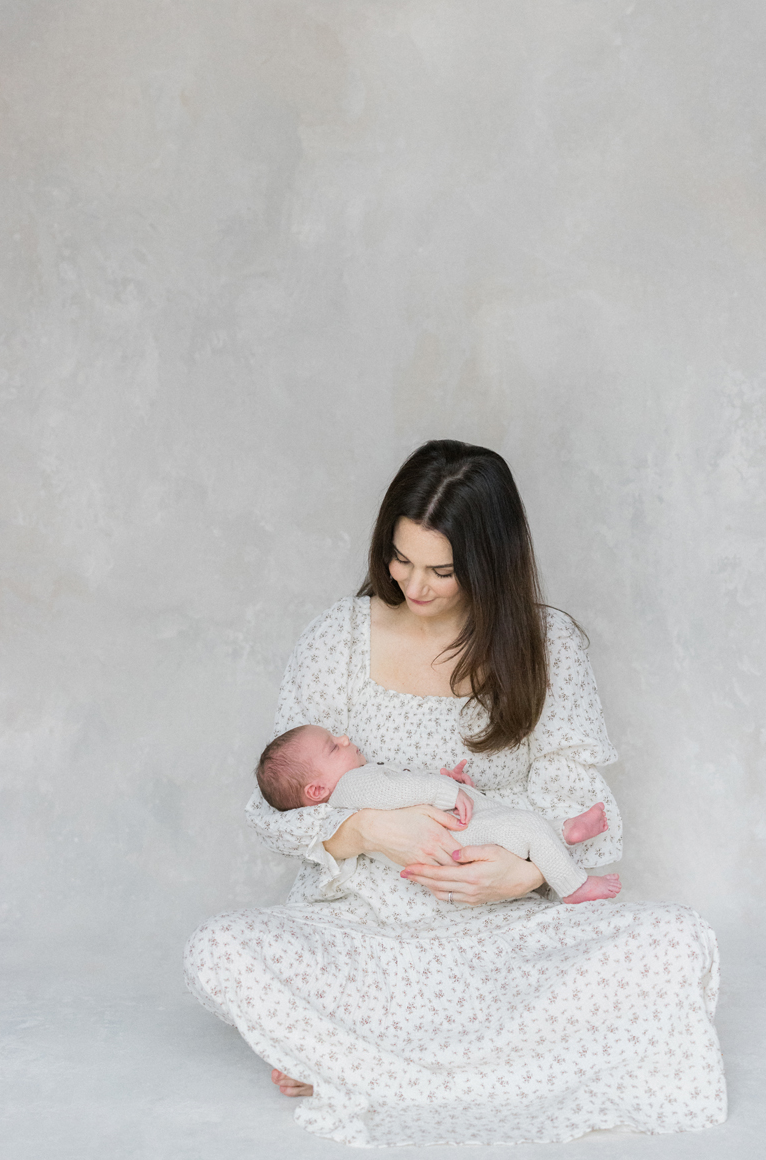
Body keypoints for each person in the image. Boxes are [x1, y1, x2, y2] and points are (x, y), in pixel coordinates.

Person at [184, 440, 726, 1146]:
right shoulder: (336, 640)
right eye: (400, 559)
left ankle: (347, 1056)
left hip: (501, 938)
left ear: (489, 562)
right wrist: (370, 833)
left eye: (442, 569)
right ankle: (396, 1049)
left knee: (675, 942)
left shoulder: (546, 644)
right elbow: (278, 809)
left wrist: (525, 873)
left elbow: (578, 802)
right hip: (365, 932)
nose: (415, 585)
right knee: (217, 950)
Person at [254, 723, 623, 903]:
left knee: (512, 826)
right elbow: (401, 790)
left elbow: (404, 791)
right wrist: (446, 789)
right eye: (333, 747)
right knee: (519, 828)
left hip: (458, 826)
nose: (345, 740)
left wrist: (458, 786)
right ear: (317, 791)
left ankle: (561, 830)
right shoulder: (351, 786)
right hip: (455, 837)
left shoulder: (355, 783)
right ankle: (573, 885)